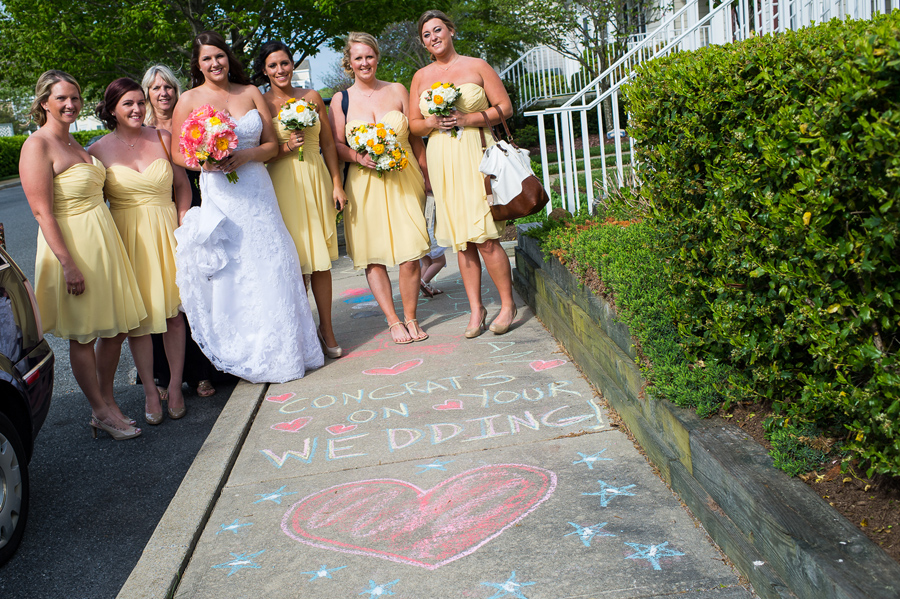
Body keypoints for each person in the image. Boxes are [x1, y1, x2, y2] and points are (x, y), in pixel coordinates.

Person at [170, 31, 323, 383]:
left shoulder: (250, 92)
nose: (215, 63)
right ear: (198, 63)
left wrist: (245, 155)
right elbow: (178, 152)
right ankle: (251, 348)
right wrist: (204, 162)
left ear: (228, 57)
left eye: (220, 56)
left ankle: (289, 348)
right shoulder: (189, 100)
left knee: (273, 259)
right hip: (222, 192)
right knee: (238, 268)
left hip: (256, 186)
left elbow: (271, 145)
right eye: (207, 58)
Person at [20, 70, 144, 440]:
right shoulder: (37, 146)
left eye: (74, 97)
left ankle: (106, 400)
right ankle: (100, 410)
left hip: (103, 243)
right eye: (61, 98)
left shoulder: (77, 144)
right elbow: (42, 212)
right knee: (84, 335)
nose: (70, 104)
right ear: (45, 102)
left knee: (117, 328)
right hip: (72, 248)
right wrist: (68, 264)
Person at [409, 10, 517, 337]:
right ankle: (476, 310)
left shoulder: (477, 66)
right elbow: (414, 124)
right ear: (423, 42)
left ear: (451, 31)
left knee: (484, 236)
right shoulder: (420, 76)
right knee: (461, 242)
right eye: (427, 34)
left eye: (438, 30)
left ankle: (507, 305)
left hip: (475, 153)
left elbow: (505, 108)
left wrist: (467, 119)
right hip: (441, 156)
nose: (433, 38)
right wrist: (430, 123)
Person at [88, 77, 191, 425]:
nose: (136, 109)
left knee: (175, 316)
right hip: (126, 239)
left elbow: (182, 186)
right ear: (112, 110)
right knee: (140, 321)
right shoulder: (98, 151)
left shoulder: (163, 138)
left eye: (139, 102)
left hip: (168, 232)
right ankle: (150, 389)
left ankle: (175, 385)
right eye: (127, 104)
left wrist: (183, 222)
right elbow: (91, 201)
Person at [328, 32, 431, 345]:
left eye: (369, 56)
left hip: (404, 178)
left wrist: (427, 177)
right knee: (374, 255)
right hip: (363, 184)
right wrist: (359, 156)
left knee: (411, 252)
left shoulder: (398, 90)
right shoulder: (340, 100)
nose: (364, 63)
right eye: (358, 58)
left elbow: (415, 139)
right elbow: (334, 145)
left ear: (377, 57)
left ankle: (411, 316)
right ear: (349, 62)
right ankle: (393, 320)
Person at [255, 41, 346, 359]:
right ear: (264, 70)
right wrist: (284, 148)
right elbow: (259, 156)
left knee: (320, 261)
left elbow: (329, 144)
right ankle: (300, 332)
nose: (280, 70)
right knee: (293, 263)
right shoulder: (261, 103)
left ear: (293, 65)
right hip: (282, 184)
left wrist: (337, 183)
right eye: (273, 66)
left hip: (316, 180)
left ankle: (327, 328)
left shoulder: (310, 97)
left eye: (284, 63)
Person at [142, 64, 221, 398]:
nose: (164, 93)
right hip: (157, 217)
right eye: (156, 88)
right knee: (164, 296)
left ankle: (202, 371)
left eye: (169, 87)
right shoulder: (141, 130)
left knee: (197, 291)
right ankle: (163, 375)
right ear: (147, 93)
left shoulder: (191, 121)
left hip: (197, 206)